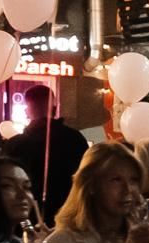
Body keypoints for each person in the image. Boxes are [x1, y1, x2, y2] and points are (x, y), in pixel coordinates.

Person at [5, 86, 89, 224]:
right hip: (67, 217)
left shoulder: (15, 145)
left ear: (27, 110)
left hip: (26, 220)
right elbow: (85, 178)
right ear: (55, 106)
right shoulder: (74, 139)